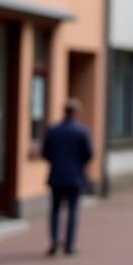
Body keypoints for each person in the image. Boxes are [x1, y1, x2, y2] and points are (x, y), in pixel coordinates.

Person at [42, 99, 93, 256]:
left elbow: (45, 152)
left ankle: (54, 241)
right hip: (75, 177)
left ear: (64, 111)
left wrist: (56, 162)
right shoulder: (82, 131)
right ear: (76, 113)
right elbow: (89, 154)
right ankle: (69, 245)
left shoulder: (53, 129)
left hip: (56, 175)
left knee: (55, 210)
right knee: (72, 210)